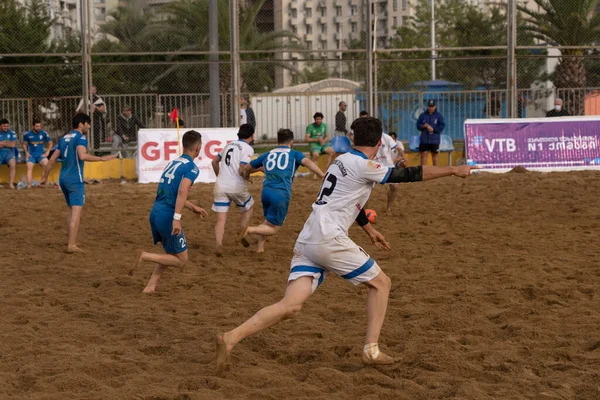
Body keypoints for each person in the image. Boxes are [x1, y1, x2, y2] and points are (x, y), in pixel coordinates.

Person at [215, 117, 476, 372]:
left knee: (290, 306)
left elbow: (349, 199)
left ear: (353, 138)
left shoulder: (340, 160)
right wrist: (453, 169)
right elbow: (407, 173)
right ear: (377, 144)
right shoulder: (363, 165)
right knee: (381, 283)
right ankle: (371, 350)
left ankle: (231, 337)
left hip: (308, 238)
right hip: (329, 239)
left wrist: (369, 229)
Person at [129, 130, 208, 293]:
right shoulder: (192, 168)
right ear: (198, 148)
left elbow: (171, 193)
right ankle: (145, 256)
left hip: (156, 211)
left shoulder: (173, 163)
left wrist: (193, 207)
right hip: (167, 216)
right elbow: (182, 191)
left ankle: (150, 286)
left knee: (170, 253)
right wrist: (177, 218)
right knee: (181, 260)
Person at [238, 129, 325, 253]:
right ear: (292, 142)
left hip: (266, 192)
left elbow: (246, 167)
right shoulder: (295, 154)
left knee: (268, 221)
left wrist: (246, 175)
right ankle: (249, 230)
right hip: (281, 194)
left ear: (277, 140)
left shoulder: (267, 154)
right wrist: (322, 175)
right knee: (274, 229)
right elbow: (309, 163)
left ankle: (260, 248)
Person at [41, 114, 117, 253]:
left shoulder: (63, 138)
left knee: (72, 210)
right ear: (81, 124)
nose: (88, 126)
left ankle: (71, 240)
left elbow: (52, 160)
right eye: (87, 124)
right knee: (76, 212)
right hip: (75, 179)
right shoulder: (81, 138)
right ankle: (72, 245)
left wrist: (45, 177)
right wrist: (102, 159)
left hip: (63, 178)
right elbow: (83, 156)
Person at [211, 124, 256, 257]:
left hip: (220, 185)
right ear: (252, 136)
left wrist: (220, 176)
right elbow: (243, 167)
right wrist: (247, 177)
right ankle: (241, 233)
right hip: (236, 185)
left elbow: (214, 162)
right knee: (249, 206)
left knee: (221, 220)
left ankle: (219, 245)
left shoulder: (228, 145)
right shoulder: (248, 148)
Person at [374, 132, 406, 214]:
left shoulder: (386, 137)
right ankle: (363, 212)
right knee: (365, 188)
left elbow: (398, 148)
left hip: (388, 164)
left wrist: (404, 158)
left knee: (394, 186)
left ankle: (388, 209)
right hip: (373, 164)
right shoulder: (368, 136)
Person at [22, 119, 53, 189]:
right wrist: (26, 153)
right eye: (37, 126)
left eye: (39, 126)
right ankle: (29, 185)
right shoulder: (27, 134)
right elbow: (24, 144)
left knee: (47, 164)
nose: (39, 128)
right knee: (29, 167)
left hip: (40, 155)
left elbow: (50, 143)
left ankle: (42, 183)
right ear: (33, 126)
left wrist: (47, 152)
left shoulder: (44, 133)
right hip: (31, 155)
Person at [305, 112, 335, 177]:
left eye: (320, 119)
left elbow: (327, 136)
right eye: (317, 119)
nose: (318, 121)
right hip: (314, 144)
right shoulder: (310, 126)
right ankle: (315, 174)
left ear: (322, 119)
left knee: (332, 152)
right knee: (316, 155)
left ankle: (325, 171)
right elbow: (307, 139)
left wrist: (324, 141)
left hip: (323, 143)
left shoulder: (324, 125)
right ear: (314, 119)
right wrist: (317, 139)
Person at [417, 100, 445, 166]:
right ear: (427, 106)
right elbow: (418, 125)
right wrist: (423, 126)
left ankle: (435, 170)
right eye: (429, 106)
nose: (430, 108)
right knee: (424, 155)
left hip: (434, 139)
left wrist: (434, 129)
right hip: (424, 139)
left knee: (434, 155)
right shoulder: (422, 115)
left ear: (435, 106)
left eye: (432, 106)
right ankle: (423, 171)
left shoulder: (439, 116)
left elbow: (442, 126)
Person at [0, 118, 17, 189]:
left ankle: (11, 184)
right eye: (4, 126)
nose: (6, 127)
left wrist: (2, 143)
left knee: (13, 164)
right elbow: (9, 143)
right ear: (0, 126)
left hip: (9, 153)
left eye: (7, 126)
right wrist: (7, 142)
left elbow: (13, 145)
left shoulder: (12, 133)